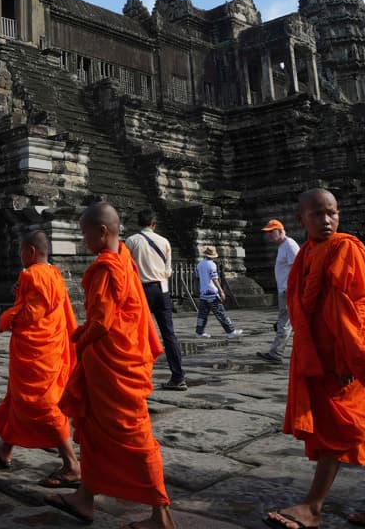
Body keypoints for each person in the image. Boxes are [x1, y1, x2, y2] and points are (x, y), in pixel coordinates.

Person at [265, 189, 365, 529]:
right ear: (301, 219)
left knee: (340, 427)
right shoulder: (306, 253)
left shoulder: (345, 247)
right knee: (361, 429)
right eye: (317, 214)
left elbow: (354, 311)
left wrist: (351, 360)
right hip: (319, 355)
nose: (326, 220)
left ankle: (313, 506)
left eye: (331, 212)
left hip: (344, 358)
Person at [49, 201, 176, 529]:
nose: (82, 241)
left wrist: (78, 337)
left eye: (84, 234)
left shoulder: (107, 266)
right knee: (93, 429)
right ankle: (84, 499)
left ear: (101, 231)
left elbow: (102, 322)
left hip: (113, 363)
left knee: (132, 434)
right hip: (118, 357)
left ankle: (161, 514)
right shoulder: (124, 258)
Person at [0, 230, 82, 488]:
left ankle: (72, 464)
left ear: (31, 252)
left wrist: (5, 319)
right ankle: (5, 450)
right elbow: (45, 305)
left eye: (20, 251)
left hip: (39, 354)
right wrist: (21, 294)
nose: (19, 256)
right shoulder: (54, 274)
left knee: (43, 405)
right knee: (19, 398)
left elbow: (31, 314)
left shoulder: (32, 274)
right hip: (50, 348)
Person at [125, 209, 185, 391]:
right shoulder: (164, 241)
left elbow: (126, 267)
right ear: (154, 224)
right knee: (169, 333)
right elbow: (168, 271)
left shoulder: (132, 241)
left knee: (138, 333)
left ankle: (137, 375)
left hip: (142, 289)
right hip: (162, 288)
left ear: (139, 223)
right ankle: (178, 376)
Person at [257, 219, 299, 363]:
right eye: (268, 232)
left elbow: (298, 268)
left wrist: (292, 290)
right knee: (286, 322)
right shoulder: (282, 246)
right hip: (285, 290)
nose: (269, 235)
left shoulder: (289, 245)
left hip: (289, 290)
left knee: (284, 323)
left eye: (271, 232)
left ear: (281, 231)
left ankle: (276, 353)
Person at [194, 245, 242, 339]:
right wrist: (221, 291)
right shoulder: (212, 265)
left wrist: (197, 290)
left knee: (202, 314)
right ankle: (230, 331)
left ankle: (199, 332)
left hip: (203, 293)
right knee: (221, 313)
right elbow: (215, 279)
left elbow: (196, 278)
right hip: (212, 293)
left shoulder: (199, 265)